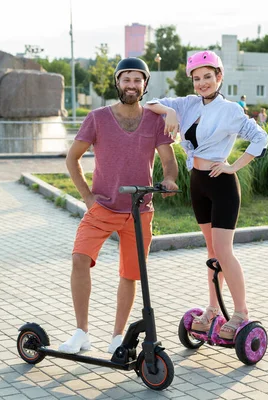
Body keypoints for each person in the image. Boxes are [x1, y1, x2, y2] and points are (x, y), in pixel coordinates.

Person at [145, 50, 268, 340]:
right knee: (212, 254)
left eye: (207, 77)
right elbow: (149, 103)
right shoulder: (187, 104)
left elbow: (260, 137)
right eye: (197, 78)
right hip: (198, 183)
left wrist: (232, 166)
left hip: (222, 185)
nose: (202, 83)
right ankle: (213, 308)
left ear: (219, 77)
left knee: (224, 252)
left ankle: (240, 313)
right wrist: (171, 112)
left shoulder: (231, 110)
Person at [60, 58, 179, 354]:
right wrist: (87, 197)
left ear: (145, 85)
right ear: (117, 82)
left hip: (140, 211)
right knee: (79, 259)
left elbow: (168, 161)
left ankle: (117, 337)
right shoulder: (98, 117)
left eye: (138, 80)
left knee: (130, 274)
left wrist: (170, 180)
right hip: (103, 208)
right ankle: (81, 332)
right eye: (126, 79)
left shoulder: (155, 121)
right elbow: (72, 158)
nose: (132, 85)